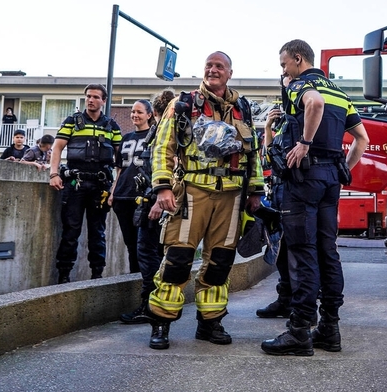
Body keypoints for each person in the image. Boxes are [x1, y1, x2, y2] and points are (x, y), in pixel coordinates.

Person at [147, 52, 264, 349]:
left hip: (232, 196)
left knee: (220, 262)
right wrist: (162, 189)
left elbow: (253, 156)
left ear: (229, 73)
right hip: (191, 192)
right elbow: (163, 147)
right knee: (178, 259)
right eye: (209, 66)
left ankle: (210, 323)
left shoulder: (243, 108)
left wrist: (255, 192)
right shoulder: (183, 104)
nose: (213, 70)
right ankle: (161, 322)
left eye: (219, 66)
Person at [261, 40, 368, 356]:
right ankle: (329, 329)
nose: (284, 71)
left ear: (297, 59)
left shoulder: (301, 85)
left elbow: (315, 104)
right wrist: (341, 169)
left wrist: (305, 143)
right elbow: (361, 138)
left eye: (284, 65)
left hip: (303, 180)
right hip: (330, 179)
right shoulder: (340, 91)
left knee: (302, 252)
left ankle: (299, 332)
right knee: (328, 249)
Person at [48, 85, 122, 284]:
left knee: (97, 232)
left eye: (95, 97)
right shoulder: (72, 121)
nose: (90, 100)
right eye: (88, 96)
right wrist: (53, 173)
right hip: (75, 183)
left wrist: (115, 187)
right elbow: (57, 148)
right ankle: (64, 275)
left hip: (100, 186)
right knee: (71, 231)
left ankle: (97, 276)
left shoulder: (112, 125)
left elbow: (120, 160)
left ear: (103, 101)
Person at [120, 89, 176, 324]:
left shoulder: (164, 132)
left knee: (148, 255)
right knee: (151, 254)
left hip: (155, 202)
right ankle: (153, 305)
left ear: (154, 112)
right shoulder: (163, 130)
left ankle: (150, 306)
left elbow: (168, 166)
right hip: (153, 200)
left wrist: (156, 202)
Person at [255, 76, 293, 320]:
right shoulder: (282, 121)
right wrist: (268, 127)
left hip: (294, 191)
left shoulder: (299, 117)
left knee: (298, 252)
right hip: (277, 191)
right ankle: (285, 299)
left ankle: (301, 304)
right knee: (280, 248)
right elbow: (269, 157)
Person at [110, 99, 153, 274]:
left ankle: (145, 281)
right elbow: (120, 169)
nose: (135, 115)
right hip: (122, 197)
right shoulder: (126, 138)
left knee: (144, 244)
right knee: (130, 243)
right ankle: (133, 278)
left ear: (149, 115)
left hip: (143, 198)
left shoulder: (154, 137)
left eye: (139, 112)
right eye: (133, 112)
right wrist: (113, 192)